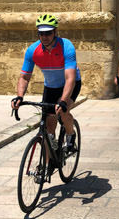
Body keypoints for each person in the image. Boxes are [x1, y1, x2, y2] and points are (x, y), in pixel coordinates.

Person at [11, 13, 81, 152]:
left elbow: (70, 78)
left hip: (70, 84)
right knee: (49, 128)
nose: (44, 37)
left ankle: (70, 134)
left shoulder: (66, 46)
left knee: (63, 111)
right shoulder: (32, 51)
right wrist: (19, 97)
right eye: (41, 33)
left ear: (55, 32)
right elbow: (24, 77)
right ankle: (47, 166)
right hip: (50, 87)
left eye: (48, 33)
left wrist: (63, 100)